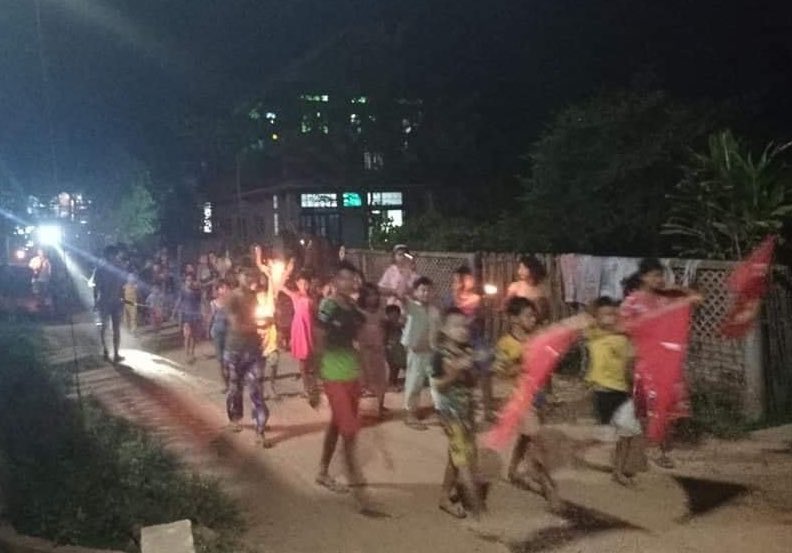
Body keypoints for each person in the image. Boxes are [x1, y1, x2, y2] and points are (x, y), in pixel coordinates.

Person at [619, 257, 703, 469]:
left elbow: (697, 299)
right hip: (645, 361)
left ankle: (661, 446)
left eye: (660, 275)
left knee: (670, 406)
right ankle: (652, 448)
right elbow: (622, 327)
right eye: (654, 275)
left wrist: (673, 287)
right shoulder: (633, 301)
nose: (658, 280)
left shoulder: (667, 299)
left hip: (667, 361)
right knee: (649, 407)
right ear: (643, 277)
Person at [492, 296, 561, 511]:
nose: (533, 319)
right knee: (536, 440)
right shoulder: (505, 344)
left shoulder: (535, 338)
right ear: (514, 319)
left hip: (533, 396)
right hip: (515, 398)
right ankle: (548, 489)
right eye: (528, 316)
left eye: (534, 315)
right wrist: (524, 365)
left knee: (526, 436)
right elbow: (500, 371)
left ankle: (512, 471)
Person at [314, 261, 372, 511]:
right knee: (348, 429)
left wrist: (365, 373)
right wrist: (312, 381)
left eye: (353, 279)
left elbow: (359, 341)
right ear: (336, 281)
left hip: (351, 374)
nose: (350, 283)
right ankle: (357, 488)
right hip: (332, 374)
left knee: (337, 425)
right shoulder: (328, 306)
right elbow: (318, 340)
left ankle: (323, 471)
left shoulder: (353, 310)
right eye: (345, 279)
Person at [431, 307, 486, 519]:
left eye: (465, 326)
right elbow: (439, 386)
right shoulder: (439, 355)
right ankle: (480, 512)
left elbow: (473, 382)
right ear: (444, 330)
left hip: (466, 413)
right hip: (450, 415)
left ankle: (444, 497)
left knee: (458, 458)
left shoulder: (467, 351)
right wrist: (455, 371)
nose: (462, 330)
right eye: (456, 326)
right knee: (463, 463)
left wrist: (472, 369)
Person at [584, 296, 643, 486]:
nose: (610, 318)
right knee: (607, 435)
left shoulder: (623, 339)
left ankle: (618, 471)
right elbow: (582, 326)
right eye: (605, 314)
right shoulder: (593, 335)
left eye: (613, 314)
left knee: (627, 432)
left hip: (623, 391)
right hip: (603, 391)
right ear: (596, 317)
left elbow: (631, 364)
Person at [225, 267, 271, 447]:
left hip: (253, 350)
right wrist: (261, 325)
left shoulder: (253, 296)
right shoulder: (232, 297)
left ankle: (260, 429)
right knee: (235, 388)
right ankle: (235, 418)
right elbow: (236, 326)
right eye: (247, 274)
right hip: (235, 349)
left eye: (252, 274)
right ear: (239, 276)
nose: (250, 278)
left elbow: (254, 319)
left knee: (256, 389)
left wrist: (261, 325)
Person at [447, 265, 493, 422]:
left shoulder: (477, 299)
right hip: (458, 344)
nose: (469, 281)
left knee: (485, 374)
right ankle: (460, 410)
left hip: (476, 340)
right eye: (465, 278)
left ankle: (487, 410)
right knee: (459, 377)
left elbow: (482, 320)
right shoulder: (450, 299)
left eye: (469, 278)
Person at [402, 276, 441, 430]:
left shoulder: (434, 311)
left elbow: (438, 331)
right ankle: (410, 413)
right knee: (414, 382)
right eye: (422, 290)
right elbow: (402, 297)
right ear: (415, 292)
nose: (426, 293)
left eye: (429, 290)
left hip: (432, 351)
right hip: (416, 352)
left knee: (436, 382)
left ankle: (440, 411)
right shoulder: (412, 307)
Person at [281, 269, 318, 403]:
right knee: (303, 363)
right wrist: (286, 272)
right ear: (297, 284)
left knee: (311, 362)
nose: (304, 286)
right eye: (301, 283)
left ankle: (312, 386)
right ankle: (306, 388)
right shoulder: (295, 296)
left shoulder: (312, 299)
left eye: (306, 283)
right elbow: (280, 286)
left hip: (309, 331)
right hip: (300, 331)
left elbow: (316, 316)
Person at [357, 283, 389, 419]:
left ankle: (379, 407)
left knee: (380, 379)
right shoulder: (358, 312)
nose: (373, 298)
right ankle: (359, 409)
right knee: (363, 380)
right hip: (364, 351)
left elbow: (383, 329)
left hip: (378, 350)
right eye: (369, 295)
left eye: (375, 294)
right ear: (363, 297)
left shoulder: (380, 311)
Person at [94, 245, 125, 363]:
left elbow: (96, 287)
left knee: (110, 328)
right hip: (109, 301)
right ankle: (109, 351)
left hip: (110, 301)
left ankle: (111, 351)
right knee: (107, 327)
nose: (115, 257)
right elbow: (97, 287)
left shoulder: (101, 268)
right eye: (114, 255)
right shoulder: (115, 267)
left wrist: (96, 300)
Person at [504, 255, 550, 323]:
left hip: (538, 324)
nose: (519, 271)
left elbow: (547, 310)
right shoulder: (516, 287)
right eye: (519, 268)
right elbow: (506, 306)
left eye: (523, 268)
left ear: (532, 269)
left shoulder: (543, 288)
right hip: (521, 324)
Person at [174, 274, 203, 364]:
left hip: (194, 315)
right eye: (188, 280)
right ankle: (187, 354)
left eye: (191, 280)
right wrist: (175, 311)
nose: (189, 282)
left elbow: (200, 302)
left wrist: (200, 313)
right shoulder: (183, 291)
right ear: (185, 281)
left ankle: (192, 353)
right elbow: (179, 300)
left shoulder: (196, 291)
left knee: (193, 336)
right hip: (186, 315)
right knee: (187, 335)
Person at [209, 280, 231, 392]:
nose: (225, 289)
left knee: (229, 357)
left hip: (229, 332)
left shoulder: (231, 302)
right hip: (218, 332)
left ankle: (230, 380)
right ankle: (225, 383)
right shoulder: (214, 303)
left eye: (226, 287)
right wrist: (208, 330)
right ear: (218, 290)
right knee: (220, 359)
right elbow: (211, 318)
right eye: (223, 287)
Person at [384, 304, 406, 391]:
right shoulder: (386, 326)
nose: (394, 317)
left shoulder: (401, 325)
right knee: (394, 368)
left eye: (396, 315)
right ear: (387, 315)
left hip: (400, 349)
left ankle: (395, 383)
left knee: (403, 366)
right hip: (390, 350)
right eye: (391, 315)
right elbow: (384, 339)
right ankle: (392, 384)